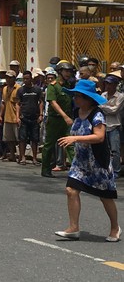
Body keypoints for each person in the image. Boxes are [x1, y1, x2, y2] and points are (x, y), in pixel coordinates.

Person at [55, 79, 120, 242]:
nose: (75, 99)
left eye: (78, 96)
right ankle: (73, 228)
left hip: (97, 162)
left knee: (105, 196)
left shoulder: (97, 114)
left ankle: (115, 227)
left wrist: (75, 138)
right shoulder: (77, 113)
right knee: (71, 190)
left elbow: (99, 137)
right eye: (75, 95)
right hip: (81, 162)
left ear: (87, 98)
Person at [41, 61, 75, 178]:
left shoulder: (68, 86)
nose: (68, 74)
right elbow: (53, 103)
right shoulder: (53, 86)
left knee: (70, 144)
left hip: (67, 120)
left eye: (70, 71)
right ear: (60, 72)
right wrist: (64, 116)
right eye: (66, 71)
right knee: (49, 145)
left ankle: (77, 169)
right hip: (55, 119)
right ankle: (46, 169)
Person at [16, 70, 44, 166]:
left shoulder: (37, 90)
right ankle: (22, 157)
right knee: (22, 138)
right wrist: (17, 117)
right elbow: (18, 104)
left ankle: (35, 158)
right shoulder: (20, 90)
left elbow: (41, 102)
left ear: (31, 78)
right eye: (24, 79)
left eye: (27, 78)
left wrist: (41, 114)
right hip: (24, 117)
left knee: (35, 139)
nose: (25, 80)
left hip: (35, 118)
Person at [100, 73, 124, 178]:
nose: (108, 86)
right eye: (107, 84)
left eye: (110, 84)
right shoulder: (103, 95)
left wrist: (104, 107)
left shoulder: (120, 96)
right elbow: (99, 106)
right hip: (104, 125)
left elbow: (115, 110)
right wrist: (108, 107)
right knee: (105, 149)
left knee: (115, 150)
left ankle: (116, 170)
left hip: (115, 126)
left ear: (115, 85)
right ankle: (105, 169)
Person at [0, 70, 20, 162]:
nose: (8, 79)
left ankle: (20, 155)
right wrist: (0, 115)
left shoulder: (18, 88)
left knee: (19, 138)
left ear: (14, 78)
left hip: (15, 116)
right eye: (7, 77)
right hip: (7, 116)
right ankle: (12, 155)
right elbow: (3, 103)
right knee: (9, 138)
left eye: (10, 78)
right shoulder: (4, 89)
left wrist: (18, 116)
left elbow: (19, 104)